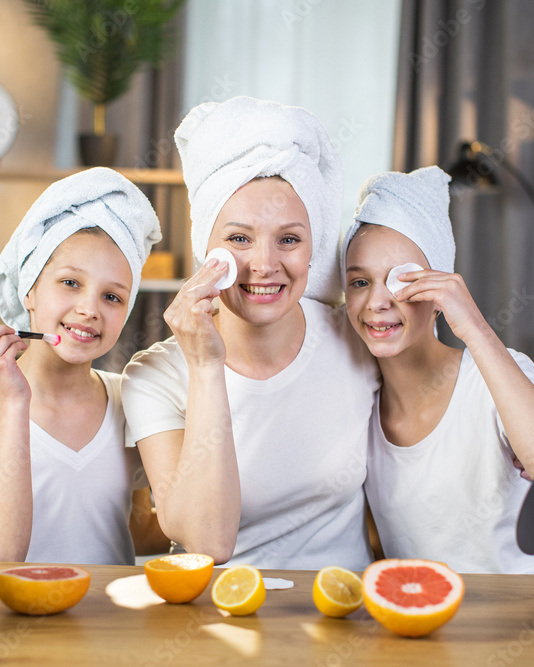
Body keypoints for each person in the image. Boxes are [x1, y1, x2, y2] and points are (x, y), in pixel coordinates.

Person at [121, 97, 379, 570]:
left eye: (289, 239)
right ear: (206, 250)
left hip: (342, 615)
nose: (264, 264)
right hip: (221, 616)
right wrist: (204, 365)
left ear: (312, 248)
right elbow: (205, 542)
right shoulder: (155, 376)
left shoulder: (358, 340)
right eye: (239, 239)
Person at [341, 167, 534, 574]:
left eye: (401, 281)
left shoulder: (495, 375)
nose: (377, 301)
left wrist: (471, 325)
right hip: (428, 606)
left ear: (438, 291)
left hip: (532, 595)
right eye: (360, 283)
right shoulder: (359, 401)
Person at [0, 168, 169, 564]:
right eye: (70, 283)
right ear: (29, 291)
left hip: (107, 621)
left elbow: (137, 530)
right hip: (6, 619)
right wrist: (13, 402)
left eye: (112, 297)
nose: (89, 309)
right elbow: (1, 552)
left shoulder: (131, 398)